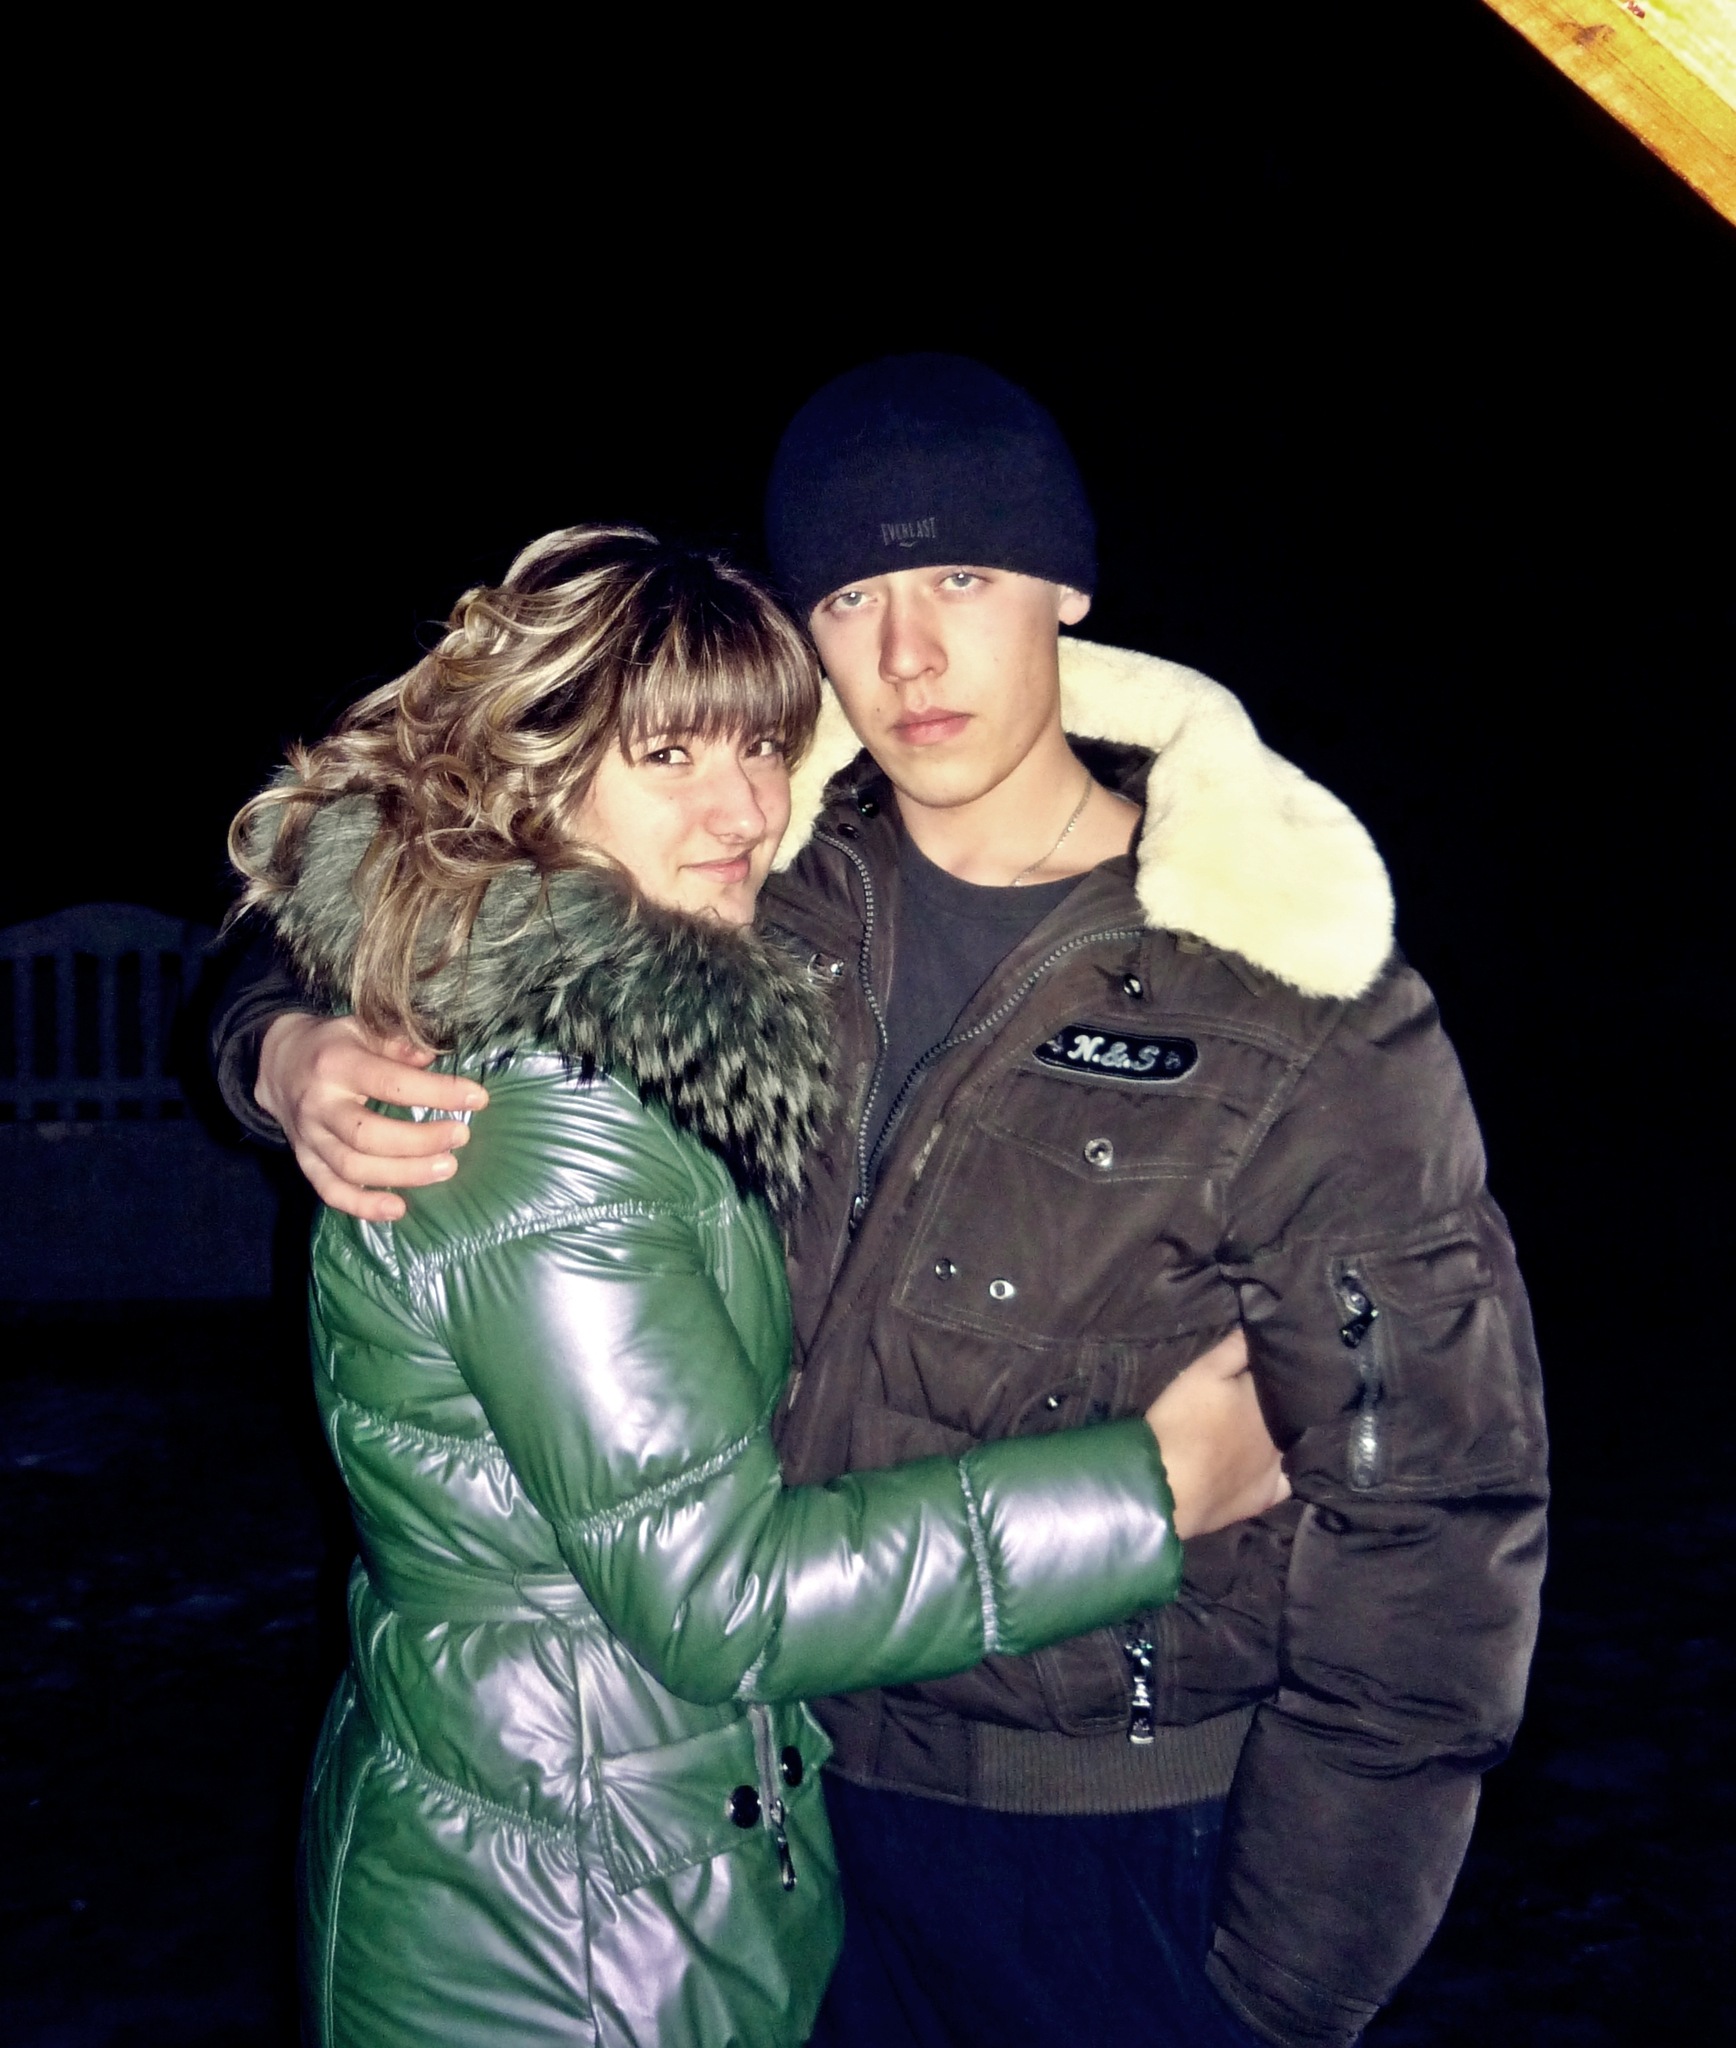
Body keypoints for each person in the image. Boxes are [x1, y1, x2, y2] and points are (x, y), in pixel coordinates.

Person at [213, 358, 1549, 2048]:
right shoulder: (750, 891)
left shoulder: (1285, 984)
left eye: (963, 578)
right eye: (850, 597)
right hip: (779, 1826)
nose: (908, 654)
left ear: (1065, 591)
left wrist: (1291, 1980)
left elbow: (1432, 1510)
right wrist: (283, 1041)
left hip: (1112, 1853)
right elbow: (434, 875)